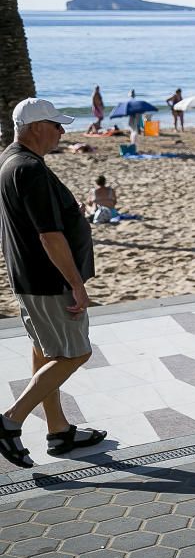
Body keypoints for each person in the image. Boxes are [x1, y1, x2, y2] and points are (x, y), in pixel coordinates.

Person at [0, 99, 107, 469]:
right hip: (48, 280)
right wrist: (77, 284)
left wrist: (67, 212)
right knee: (76, 353)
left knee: (44, 349)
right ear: (34, 127)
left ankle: (58, 430)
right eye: (56, 125)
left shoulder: (11, 160)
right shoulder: (29, 168)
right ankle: (9, 421)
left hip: (30, 276)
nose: (62, 131)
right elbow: (49, 236)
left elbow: (34, 221)